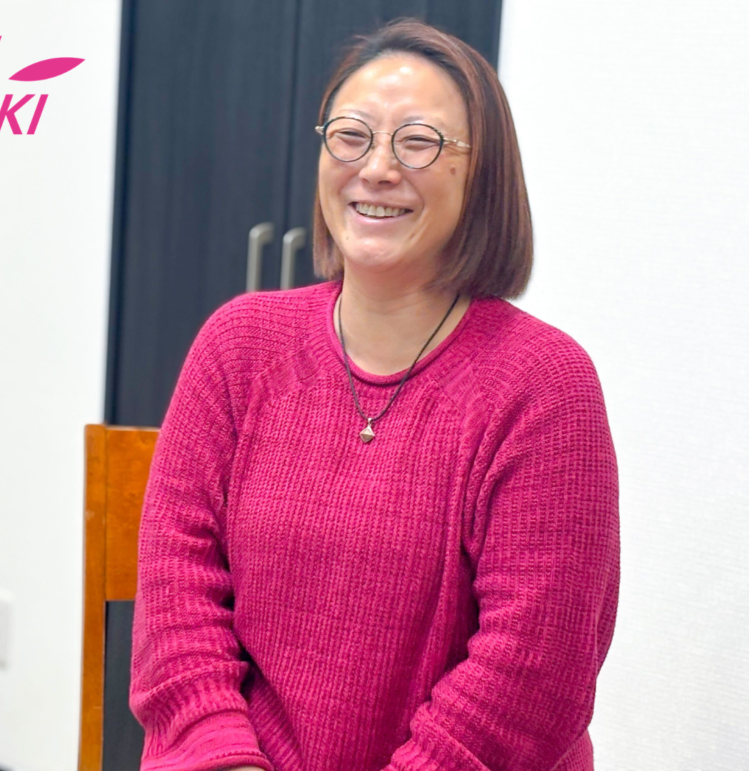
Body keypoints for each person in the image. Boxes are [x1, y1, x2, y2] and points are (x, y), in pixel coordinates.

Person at [129, 18, 619, 771]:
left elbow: (534, 672)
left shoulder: (545, 383)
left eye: (418, 142)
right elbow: (177, 599)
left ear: (482, 174)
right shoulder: (238, 344)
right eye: (351, 136)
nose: (378, 168)